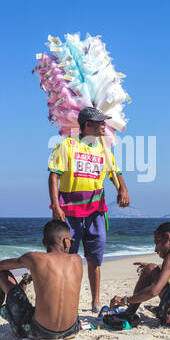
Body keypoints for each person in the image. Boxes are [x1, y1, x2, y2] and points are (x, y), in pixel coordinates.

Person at [48, 106, 130, 312]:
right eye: (100, 122)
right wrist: (56, 207)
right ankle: (67, 300)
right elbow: (54, 176)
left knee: (95, 258)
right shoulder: (67, 146)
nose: (105, 125)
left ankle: (95, 302)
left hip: (95, 213)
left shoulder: (103, 148)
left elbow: (115, 173)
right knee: (68, 259)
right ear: (87, 125)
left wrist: (123, 190)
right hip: (70, 214)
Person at [0, 220, 83, 340]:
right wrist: (27, 280)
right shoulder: (77, 260)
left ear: (44, 243)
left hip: (39, 331)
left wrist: (13, 291)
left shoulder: (35, 258)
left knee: (1, 277)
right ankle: (24, 283)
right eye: (72, 241)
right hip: (71, 329)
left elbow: (0, 267)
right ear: (66, 241)